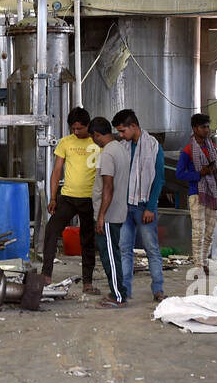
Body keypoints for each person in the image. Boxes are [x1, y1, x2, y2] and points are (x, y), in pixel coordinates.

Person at [111, 109, 167, 302]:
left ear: (133, 126)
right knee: (124, 249)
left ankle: (158, 289)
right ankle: (125, 290)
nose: (120, 135)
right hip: (125, 207)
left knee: (152, 249)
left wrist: (151, 208)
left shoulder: (153, 146)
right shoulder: (123, 146)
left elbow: (158, 179)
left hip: (144, 207)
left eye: (122, 131)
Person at [41, 107, 99, 293]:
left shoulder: (98, 142)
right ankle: (46, 274)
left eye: (79, 128)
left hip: (90, 199)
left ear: (88, 126)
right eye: (73, 128)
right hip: (67, 197)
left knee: (87, 240)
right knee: (51, 231)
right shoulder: (65, 142)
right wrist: (53, 197)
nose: (76, 132)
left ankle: (87, 282)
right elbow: (56, 171)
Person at [176, 112, 217, 274]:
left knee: (209, 231)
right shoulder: (187, 150)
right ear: (194, 128)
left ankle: (205, 260)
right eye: (203, 127)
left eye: (208, 127)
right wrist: (200, 173)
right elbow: (180, 174)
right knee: (198, 231)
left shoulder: (211, 146)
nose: (207, 130)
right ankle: (198, 265)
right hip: (197, 193)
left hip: (213, 192)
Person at [90, 116, 130, 308]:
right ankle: (118, 291)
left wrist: (101, 216)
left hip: (109, 214)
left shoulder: (107, 153)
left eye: (93, 137)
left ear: (97, 135)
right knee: (113, 253)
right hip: (117, 210)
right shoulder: (120, 148)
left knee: (110, 256)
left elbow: (108, 187)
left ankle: (118, 296)